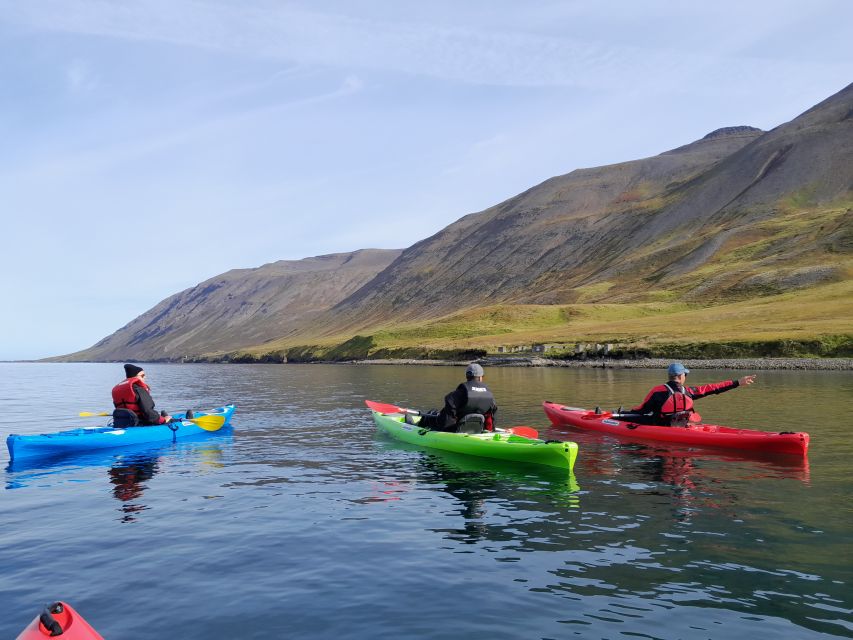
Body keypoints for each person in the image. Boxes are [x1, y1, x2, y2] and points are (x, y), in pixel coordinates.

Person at [625, 362, 756, 426]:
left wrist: (626, 413)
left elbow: (641, 410)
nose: (685, 376)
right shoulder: (689, 392)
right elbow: (714, 388)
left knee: (640, 416)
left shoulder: (657, 391)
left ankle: (614, 416)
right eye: (685, 374)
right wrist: (737, 382)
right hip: (683, 427)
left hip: (661, 426)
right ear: (681, 376)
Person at [418, 363, 498, 432]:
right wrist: (489, 431)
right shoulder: (490, 396)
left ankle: (414, 425)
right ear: (480, 377)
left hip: (456, 430)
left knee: (432, 413)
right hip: (477, 429)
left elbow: (448, 414)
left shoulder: (459, 393)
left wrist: (447, 431)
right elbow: (491, 418)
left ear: (467, 376)